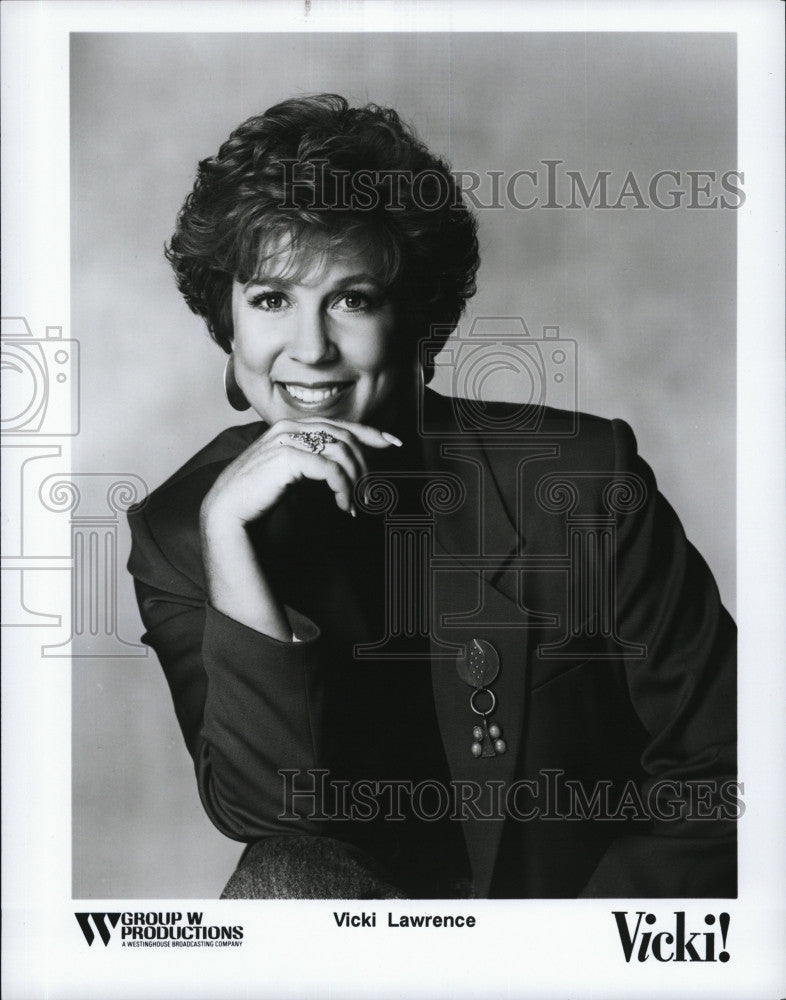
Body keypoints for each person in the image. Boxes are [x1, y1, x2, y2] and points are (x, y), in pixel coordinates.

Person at [127, 94, 737, 899]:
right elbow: (265, 810)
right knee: (282, 876)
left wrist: (569, 961)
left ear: (419, 319)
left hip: (577, 935)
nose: (310, 350)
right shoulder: (185, 531)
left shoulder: (581, 480)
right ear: (228, 325)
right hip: (369, 950)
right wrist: (231, 545)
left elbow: (728, 766)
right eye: (272, 299)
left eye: (353, 299)